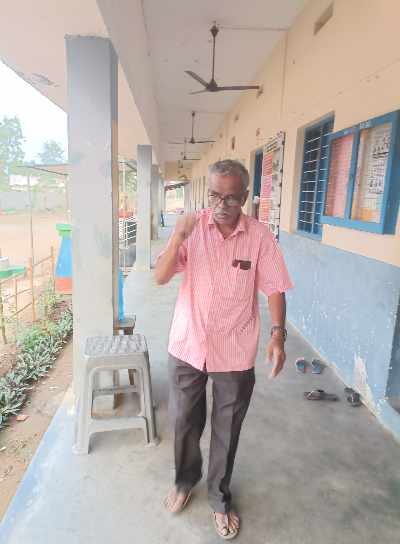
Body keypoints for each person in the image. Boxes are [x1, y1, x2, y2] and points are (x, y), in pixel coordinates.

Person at [155, 159, 293, 540]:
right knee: (185, 421)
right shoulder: (193, 228)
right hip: (188, 343)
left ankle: (218, 498)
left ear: (245, 197)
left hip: (235, 347)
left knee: (227, 428)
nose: (221, 205)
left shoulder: (260, 237)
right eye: (215, 195)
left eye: (231, 198)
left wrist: (278, 336)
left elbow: (275, 287)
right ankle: (184, 481)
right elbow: (161, 276)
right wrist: (177, 238)